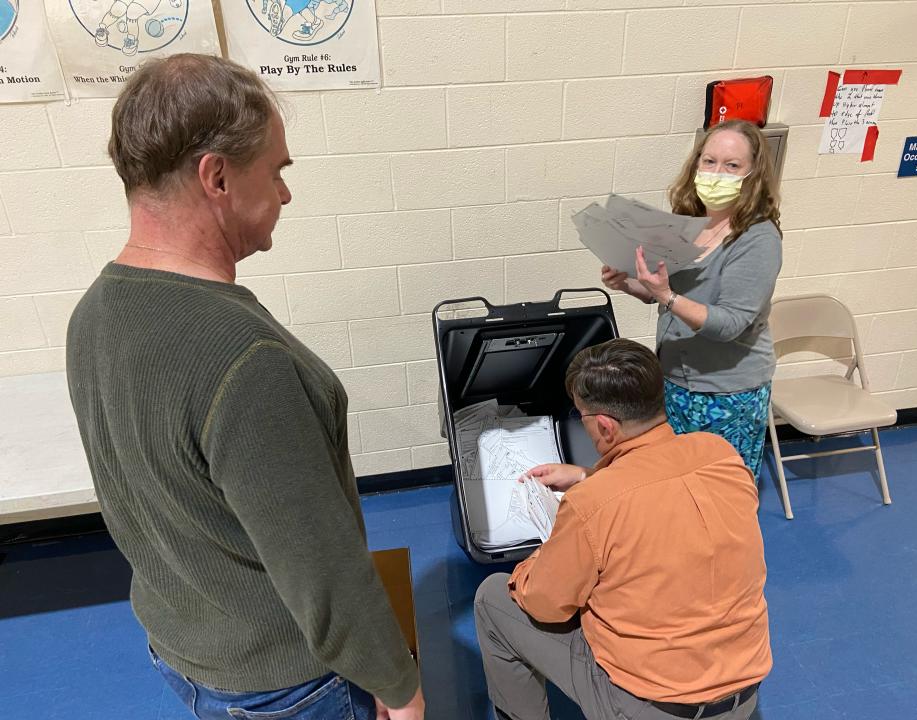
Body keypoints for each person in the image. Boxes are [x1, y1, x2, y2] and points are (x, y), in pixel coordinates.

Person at [66, 54, 424, 720]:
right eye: (278, 170)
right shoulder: (243, 359)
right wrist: (401, 691)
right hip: (288, 682)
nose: (286, 194)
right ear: (218, 177)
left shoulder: (94, 312)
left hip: (182, 646)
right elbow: (323, 573)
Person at [475, 338, 771, 720]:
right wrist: (586, 476)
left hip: (649, 706)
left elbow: (545, 604)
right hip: (743, 694)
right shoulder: (721, 456)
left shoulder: (593, 505)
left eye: (579, 414)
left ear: (604, 425)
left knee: (492, 598)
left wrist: (540, 559)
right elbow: (659, 494)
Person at [601, 120, 783, 482]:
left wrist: (666, 295)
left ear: (753, 174)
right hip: (675, 380)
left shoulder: (758, 238)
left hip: (726, 390)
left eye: (732, 166)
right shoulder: (690, 222)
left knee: (721, 487)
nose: (717, 173)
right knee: (678, 481)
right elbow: (667, 296)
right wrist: (628, 284)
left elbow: (729, 324)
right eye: (710, 161)